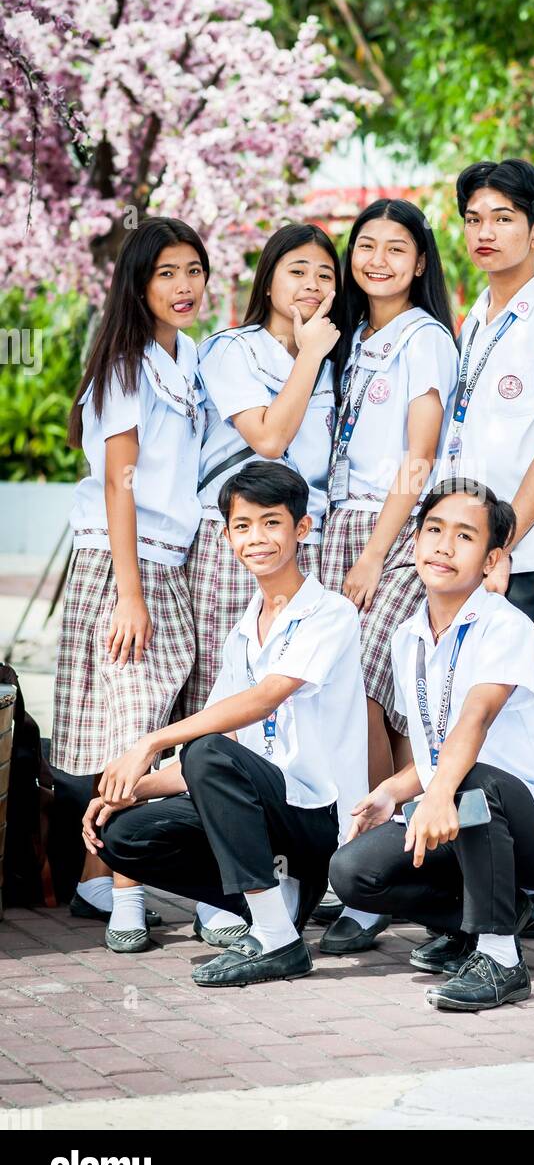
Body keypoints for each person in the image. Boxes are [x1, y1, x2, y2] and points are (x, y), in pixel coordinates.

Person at [83, 463, 378, 982]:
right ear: (226, 537)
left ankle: (277, 940)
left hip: (318, 820)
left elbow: (264, 701)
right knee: (123, 835)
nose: (256, 538)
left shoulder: (330, 613)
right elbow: (215, 754)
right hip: (264, 820)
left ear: (301, 529)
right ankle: (268, 905)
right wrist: (130, 790)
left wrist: (151, 742)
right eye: (242, 526)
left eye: (271, 523)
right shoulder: (243, 632)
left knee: (205, 749)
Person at [330, 479, 534, 1013]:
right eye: (433, 530)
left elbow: (472, 726)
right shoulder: (408, 637)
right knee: (354, 872)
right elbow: (435, 749)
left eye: (465, 537)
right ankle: (488, 919)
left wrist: (434, 794)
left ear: (493, 559)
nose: (444, 547)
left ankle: (501, 960)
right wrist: (391, 793)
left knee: (468, 784)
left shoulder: (506, 627)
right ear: (415, 542)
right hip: (466, 803)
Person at [54, 217, 208, 939]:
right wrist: (130, 594)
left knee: (163, 726)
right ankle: (129, 901)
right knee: (134, 728)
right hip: (126, 562)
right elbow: (120, 481)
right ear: (138, 285)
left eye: (192, 271)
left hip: (170, 561)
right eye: (165, 274)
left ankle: (95, 883)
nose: (182, 287)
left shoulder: (188, 357)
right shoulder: (126, 359)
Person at [321, 198, 459, 796]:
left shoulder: (423, 337)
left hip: (393, 532)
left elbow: (420, 456)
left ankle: (369, 849)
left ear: (421, 263)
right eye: (367, 246)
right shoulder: (351, 336)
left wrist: (376, 552)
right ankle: (394, 851)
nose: (378, 260)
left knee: (363, 682)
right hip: (339, 526)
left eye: (397, 249)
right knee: (367, 690)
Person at [180, 224, 341, 720]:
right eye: (297, 271)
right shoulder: (232, 349)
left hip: (304, 540)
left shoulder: (336, 363)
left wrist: (316, 354)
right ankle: (203, 790)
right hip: (235, 537)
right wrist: (310, 353)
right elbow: (269, 440)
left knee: (289, 692)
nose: (312, 284)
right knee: (224, 680)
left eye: (325, 275)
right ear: (268, 282)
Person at [434, 159, 534, 622]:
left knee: (504, 692)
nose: (484, 232)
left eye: (503, 219)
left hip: (518, 560)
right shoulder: (475, 320)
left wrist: (501, 545)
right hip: (458, 550)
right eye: (473, 220)